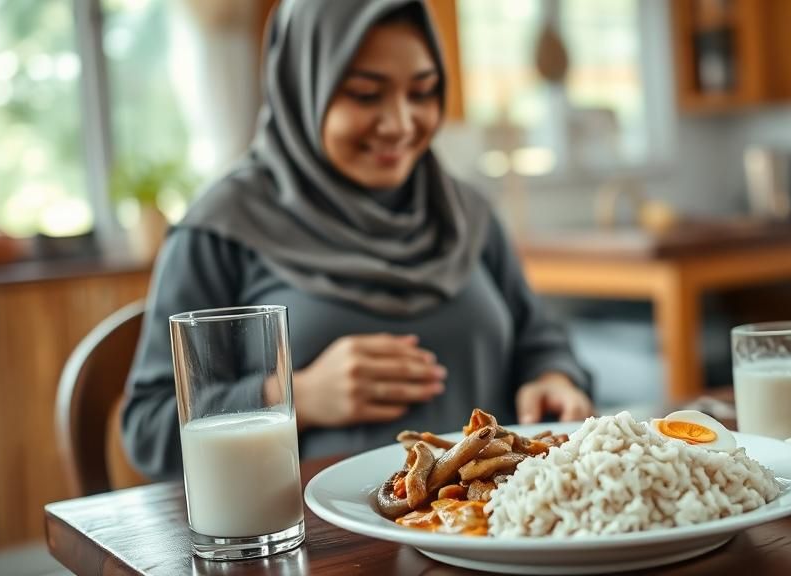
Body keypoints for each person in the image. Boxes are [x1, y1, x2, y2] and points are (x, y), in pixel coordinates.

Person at [122, 0, 593, 480]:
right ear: (303, 87)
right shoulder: (222, 229)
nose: (401, 123)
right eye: (366, 95)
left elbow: (539, 339)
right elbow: (149, 428)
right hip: (308, 527)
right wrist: (294, 396)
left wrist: (552, 378)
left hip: (490, 518)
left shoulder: (464, 213)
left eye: (422, 92)